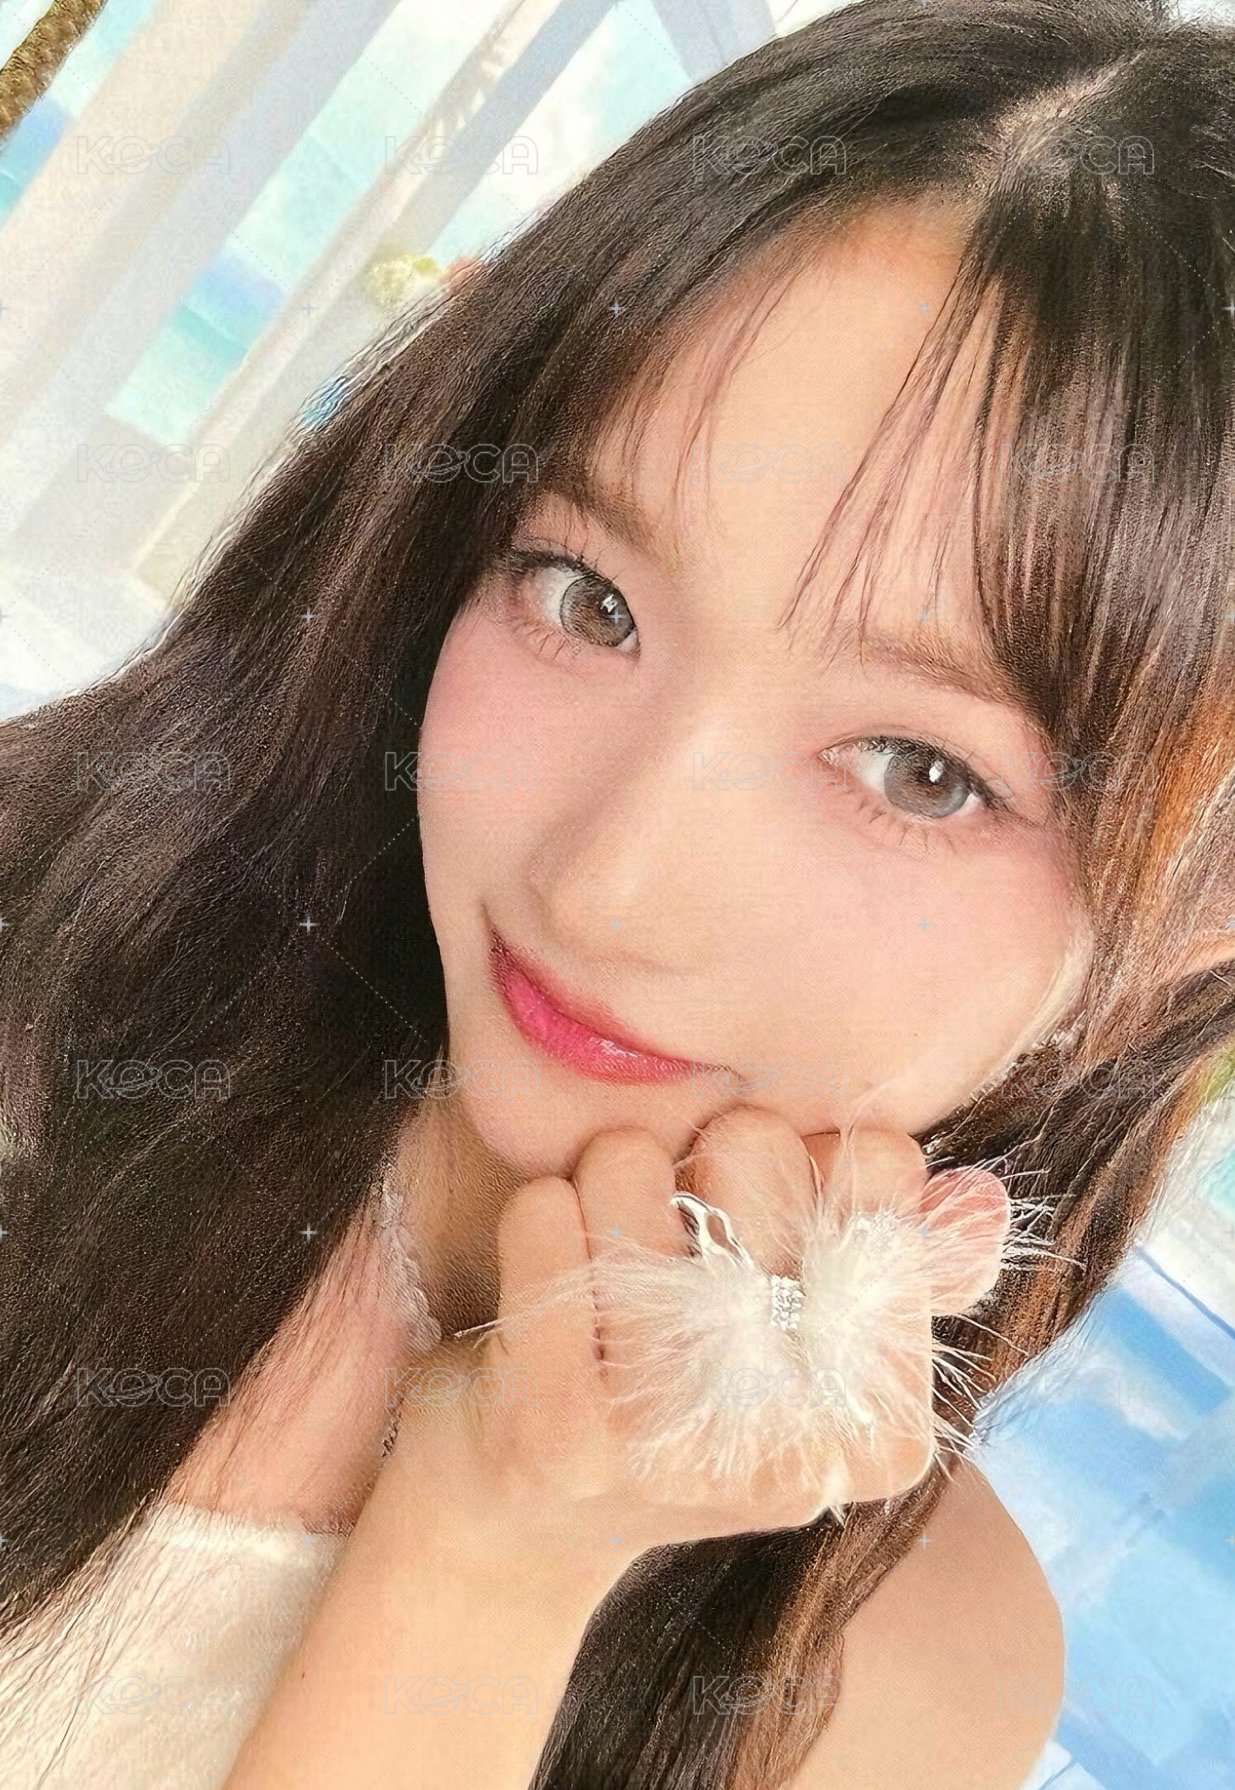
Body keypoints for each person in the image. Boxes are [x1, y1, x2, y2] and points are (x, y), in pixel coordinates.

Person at [2, 0, 1234, 1784]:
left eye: (919, 767)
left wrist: (497, 1548)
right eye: (588, 597)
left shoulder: (899, 1674)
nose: (607, 882)